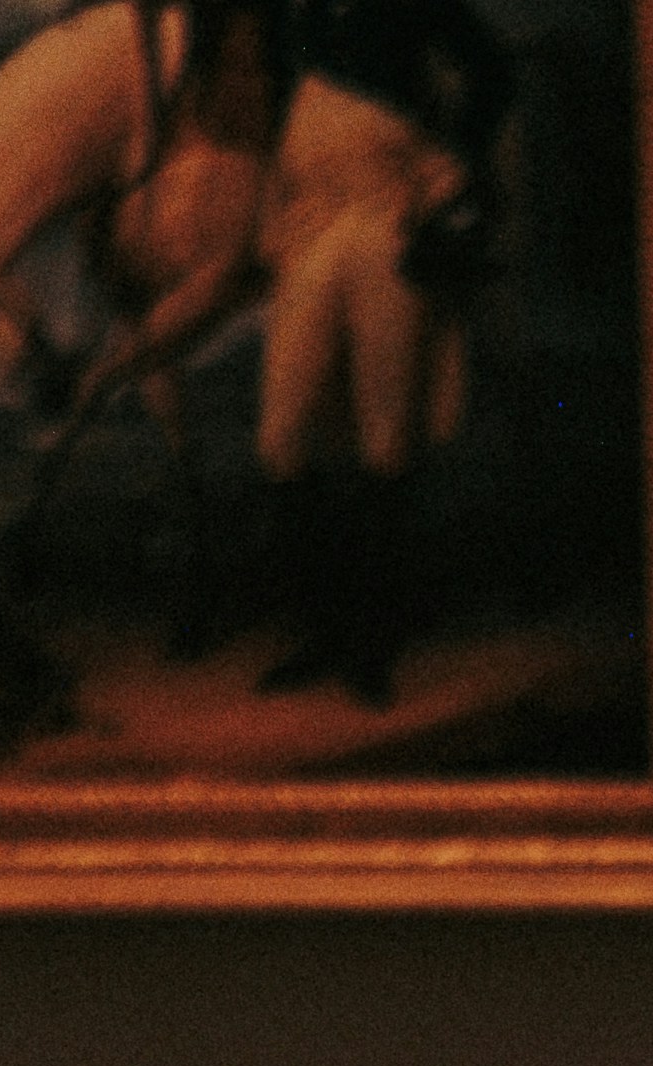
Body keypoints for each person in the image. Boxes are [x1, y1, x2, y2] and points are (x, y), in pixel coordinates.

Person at [255, 0, 516, 705]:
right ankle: (323, 629)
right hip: (310, 216)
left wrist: (453, 169)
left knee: (386, 436)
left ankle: (373, 641)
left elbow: (493, 72)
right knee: (285, 436)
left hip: (385, 218)